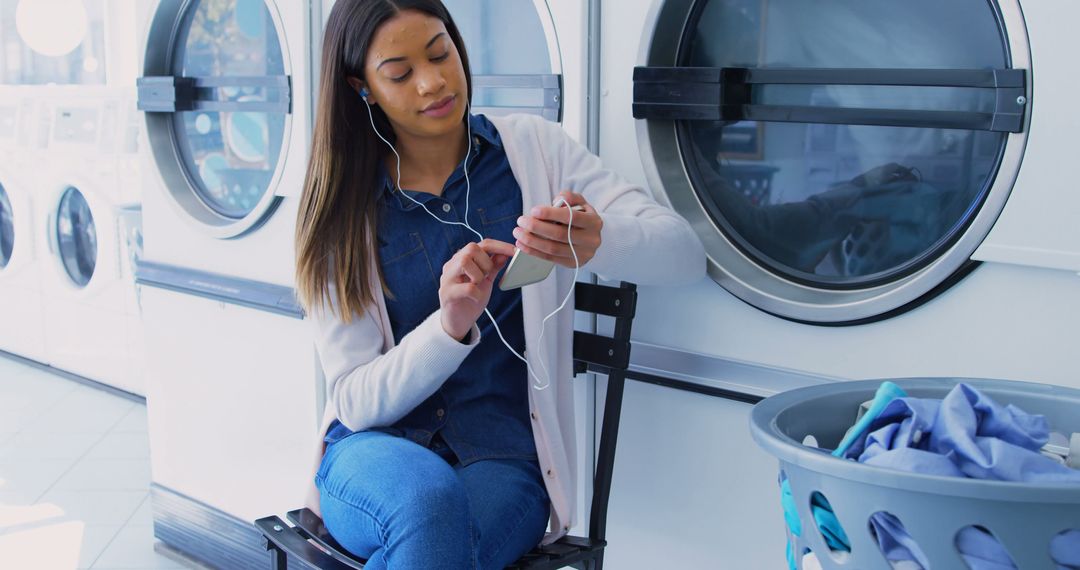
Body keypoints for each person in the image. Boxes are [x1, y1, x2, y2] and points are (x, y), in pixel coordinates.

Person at [293, 1, 705, 568]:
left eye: (441, 54)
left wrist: (596, 241)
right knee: (428, 504)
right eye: (400, 73)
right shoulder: (340, 208)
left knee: (436, 535)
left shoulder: (537, 151)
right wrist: (448, 328)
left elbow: (684, 255)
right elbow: (355, 402)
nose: (434, 81)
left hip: (504, 461)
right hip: (373, 454)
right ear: (361, 88)